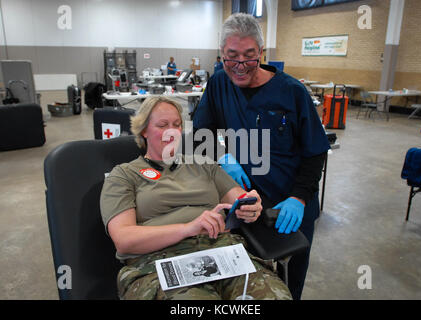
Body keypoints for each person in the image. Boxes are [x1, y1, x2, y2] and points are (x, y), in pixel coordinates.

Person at [192, 13, 330, 300]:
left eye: (249, 56)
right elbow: (201, 132)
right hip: (245, 202)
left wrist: (299, 197)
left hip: (291, 205)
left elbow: (315, 151)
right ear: (221, 54)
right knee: (248, 281)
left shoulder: (292, 92)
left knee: (290, 278)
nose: (240, 66)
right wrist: (223, 158)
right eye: (232, 57)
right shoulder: (218, 84)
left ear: (262, 53)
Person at [100, 96, 292, 300]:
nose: (171, 131)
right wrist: (188, 228)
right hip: (158, 264)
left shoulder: (203, 164)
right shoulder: (124, 175)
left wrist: (251, 206)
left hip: (223, 253)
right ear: (144, 130)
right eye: (162, 125)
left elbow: (239, 199)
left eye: (176, 124)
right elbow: (124, 240)